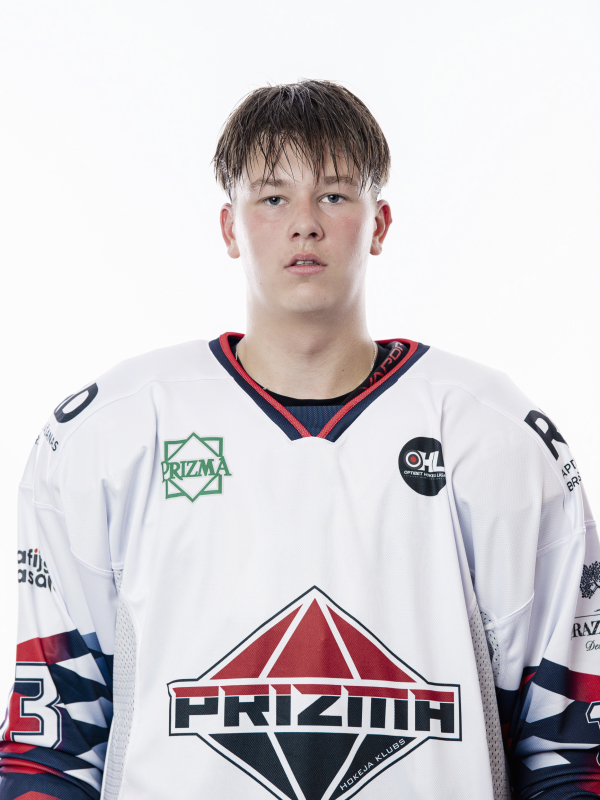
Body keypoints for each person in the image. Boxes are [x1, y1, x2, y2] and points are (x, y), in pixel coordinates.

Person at [0, 79, 598, 800]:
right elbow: (54, 741)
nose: (305, 224)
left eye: (335, 195)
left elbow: (570, 748)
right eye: (273, 198)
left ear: (379, 223)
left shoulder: (493, 434)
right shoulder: (114, 429)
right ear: (230, 228)